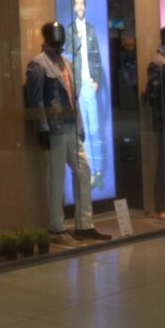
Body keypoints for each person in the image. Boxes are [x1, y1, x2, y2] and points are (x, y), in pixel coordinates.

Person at [25, 21, 110, 245]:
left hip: (71, 127)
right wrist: (42, 128)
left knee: (83, 171)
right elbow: (35, 100)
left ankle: (84, 224)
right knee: (56, 177)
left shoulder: (67, 63)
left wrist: (80, 126)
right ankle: (56, 228)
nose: (58, 37)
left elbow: (74, 98)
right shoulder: (38, 64)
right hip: (54, 129)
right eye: (55, 34)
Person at [68, 0, 105, 190]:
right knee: (83, 131)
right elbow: (68, 55)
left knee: (94, 129)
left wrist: (96, 81)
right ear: (74, 7)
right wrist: (78, 39)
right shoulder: (70, 30)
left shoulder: (90, 30)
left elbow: (97, 56)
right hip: (77, 87)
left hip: (89, 85)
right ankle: (89, 171)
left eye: (82, 3)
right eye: (77, 3)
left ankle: (98, 172)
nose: (80, 6)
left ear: (85, 6)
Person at [145, 26, 165, 221]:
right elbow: (153, 96)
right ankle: (161, 206)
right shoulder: (158, 63)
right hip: (163, 122)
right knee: (163, 163)